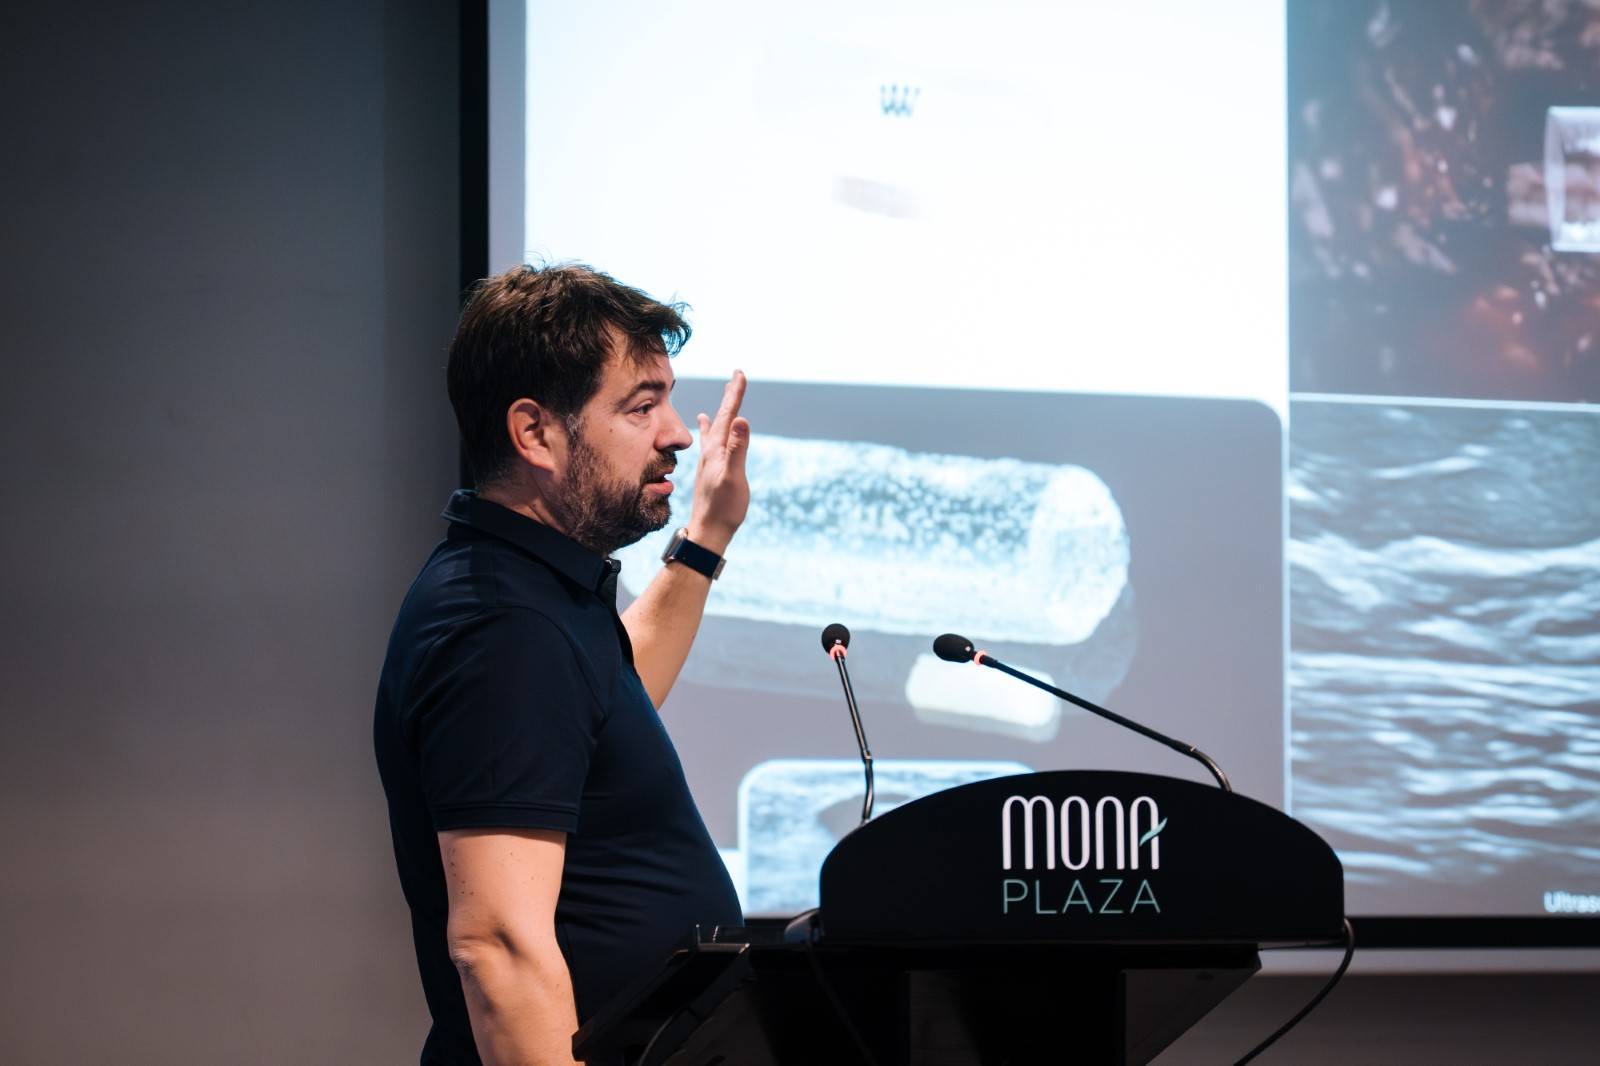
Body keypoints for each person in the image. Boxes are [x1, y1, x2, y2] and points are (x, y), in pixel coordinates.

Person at [373, 263, 750, 1065]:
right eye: (642, 406)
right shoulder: (499, 626)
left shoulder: (532, 592)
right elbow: (498, 947)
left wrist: (705, 538)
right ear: (535, 433)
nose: (678, 434)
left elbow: (606, 706)